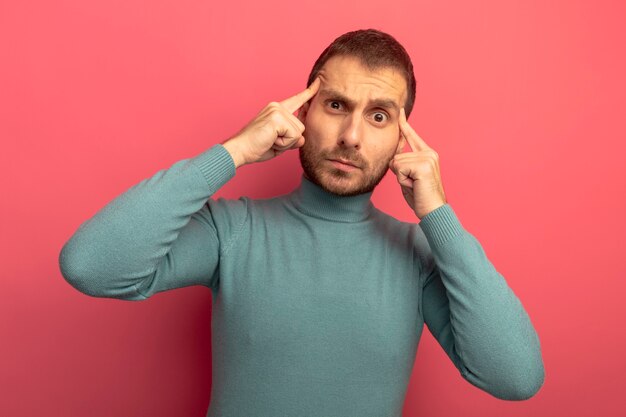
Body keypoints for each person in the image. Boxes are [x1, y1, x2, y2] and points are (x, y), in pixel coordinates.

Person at [59, 29, 545, 416]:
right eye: (336, 106)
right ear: (303, 112)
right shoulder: (233, 231)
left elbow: (516, 377)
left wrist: (438, 215)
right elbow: (90, 265)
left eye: (379, 117)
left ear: (402, 140)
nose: (352, 136)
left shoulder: (417, 255)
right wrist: (233, 152)